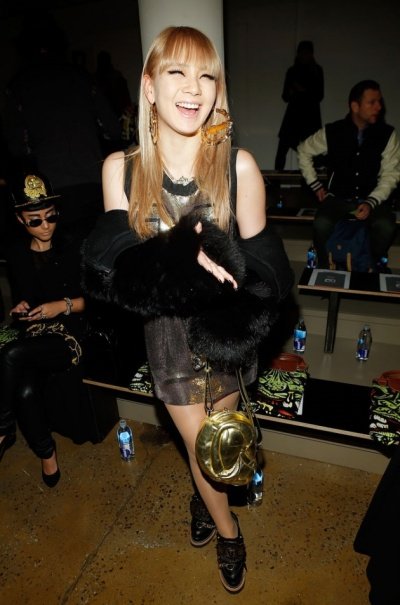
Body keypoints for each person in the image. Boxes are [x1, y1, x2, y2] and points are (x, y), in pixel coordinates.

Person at [82, 26, 293, 592]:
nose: (193, 87)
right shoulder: (121, 170)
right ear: (149, 87)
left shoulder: (238, 167)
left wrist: (230, 275)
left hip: (225, 336)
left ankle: (205, 505)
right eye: (176, 71)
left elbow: (272, 274)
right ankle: (229, 532)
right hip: (168, 343)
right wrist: (181, 256)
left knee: (225, 438)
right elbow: (113, 272)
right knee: (205, 454)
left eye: (206, 75)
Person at [0, 172, 86, 487]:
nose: (46, 226)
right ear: (20, 220)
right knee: (24, 389)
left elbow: (97, 301)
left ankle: (2, 428)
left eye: (51, 216)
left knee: (11, 353)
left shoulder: (74, 245)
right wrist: (22, 306)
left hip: (70, 333)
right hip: (36, 333)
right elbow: (27, 297)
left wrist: (61, 305)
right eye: (35, 221)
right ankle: (47, 454)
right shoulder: (18, 254)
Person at [3, 10, 121, 234]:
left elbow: (17, 146)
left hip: (50, 188)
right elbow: (112, 129)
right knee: (96, 246)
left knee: (62, 249)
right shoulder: (82, 77)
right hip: (93, 181)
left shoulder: (18, 86)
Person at [297, 79, 400, 270]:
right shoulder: (333, 131)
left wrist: (371, 201)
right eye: (372, 102)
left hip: (373, 197)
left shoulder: (388, 134)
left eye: (379, 101)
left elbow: (391, 174)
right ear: (355, 106)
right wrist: (315, 185)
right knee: (321, 224)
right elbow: (304, 150)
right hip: (339, 197)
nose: (379, 107)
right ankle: (323, 266)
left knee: (386, 226)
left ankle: (371, 263)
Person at [274, 40, 324, 171]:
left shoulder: (316, 71)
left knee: (311, 152)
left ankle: (311, 181)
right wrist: (292, 91)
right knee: (283, 149)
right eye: (302, 52)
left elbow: (319, 95)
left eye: (306, 52)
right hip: (294, 115)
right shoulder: (292, 71)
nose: (304, 55)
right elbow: (285, 96)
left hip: (310, 116)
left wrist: (302, 90)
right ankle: (276, 181)